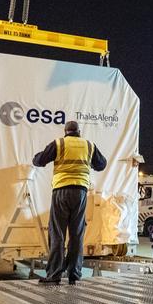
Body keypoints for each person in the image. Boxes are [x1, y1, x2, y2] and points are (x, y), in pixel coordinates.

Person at [32, 120, 107, 285]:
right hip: (80, 193)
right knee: (77, 234)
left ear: (65, 131)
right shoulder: (89, 145)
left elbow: (39, 161)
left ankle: (54, 275)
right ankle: (74, 274)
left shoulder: (59, 143)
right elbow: (102, 164)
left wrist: (37, 156)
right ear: (79, 131)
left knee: (57, 233)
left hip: (61, 191)